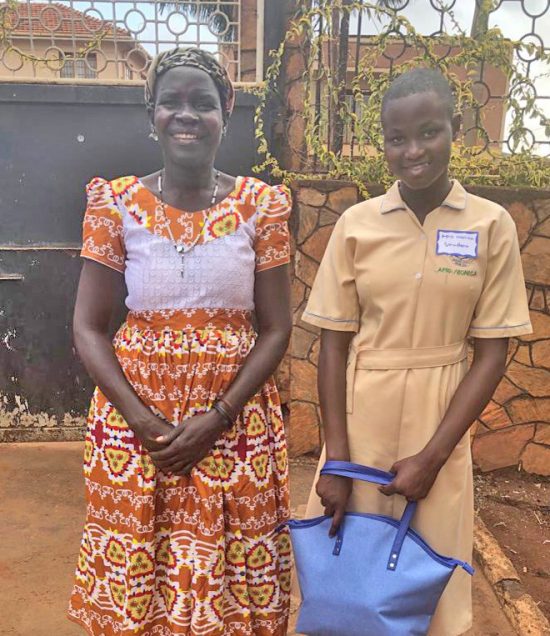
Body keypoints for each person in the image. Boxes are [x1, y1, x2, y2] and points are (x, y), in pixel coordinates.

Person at [68, 47, 292, 636]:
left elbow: (276, 329)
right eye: (172, 102)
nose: (186, 115)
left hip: (235, 427)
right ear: (152, 112)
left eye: (203, 103)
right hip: (137, 435)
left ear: (228, 111)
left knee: (231, 579)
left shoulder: (262, 206)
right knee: (144, 580)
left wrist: (218, 417)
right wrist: (143, 423)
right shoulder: (114, 204)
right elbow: (89, 327)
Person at [301, 68, 532, 635]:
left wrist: (432, 458)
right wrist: (335, 457)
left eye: (429, 132)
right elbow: (332, 346)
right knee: (346, 575)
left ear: (456, 128)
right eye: (396, 138)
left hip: (441, 419)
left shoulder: (490, 226)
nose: (413, 151)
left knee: (431, 583)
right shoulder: (357, 225)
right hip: (362, 414)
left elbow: (492, 353)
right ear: (382, 142)